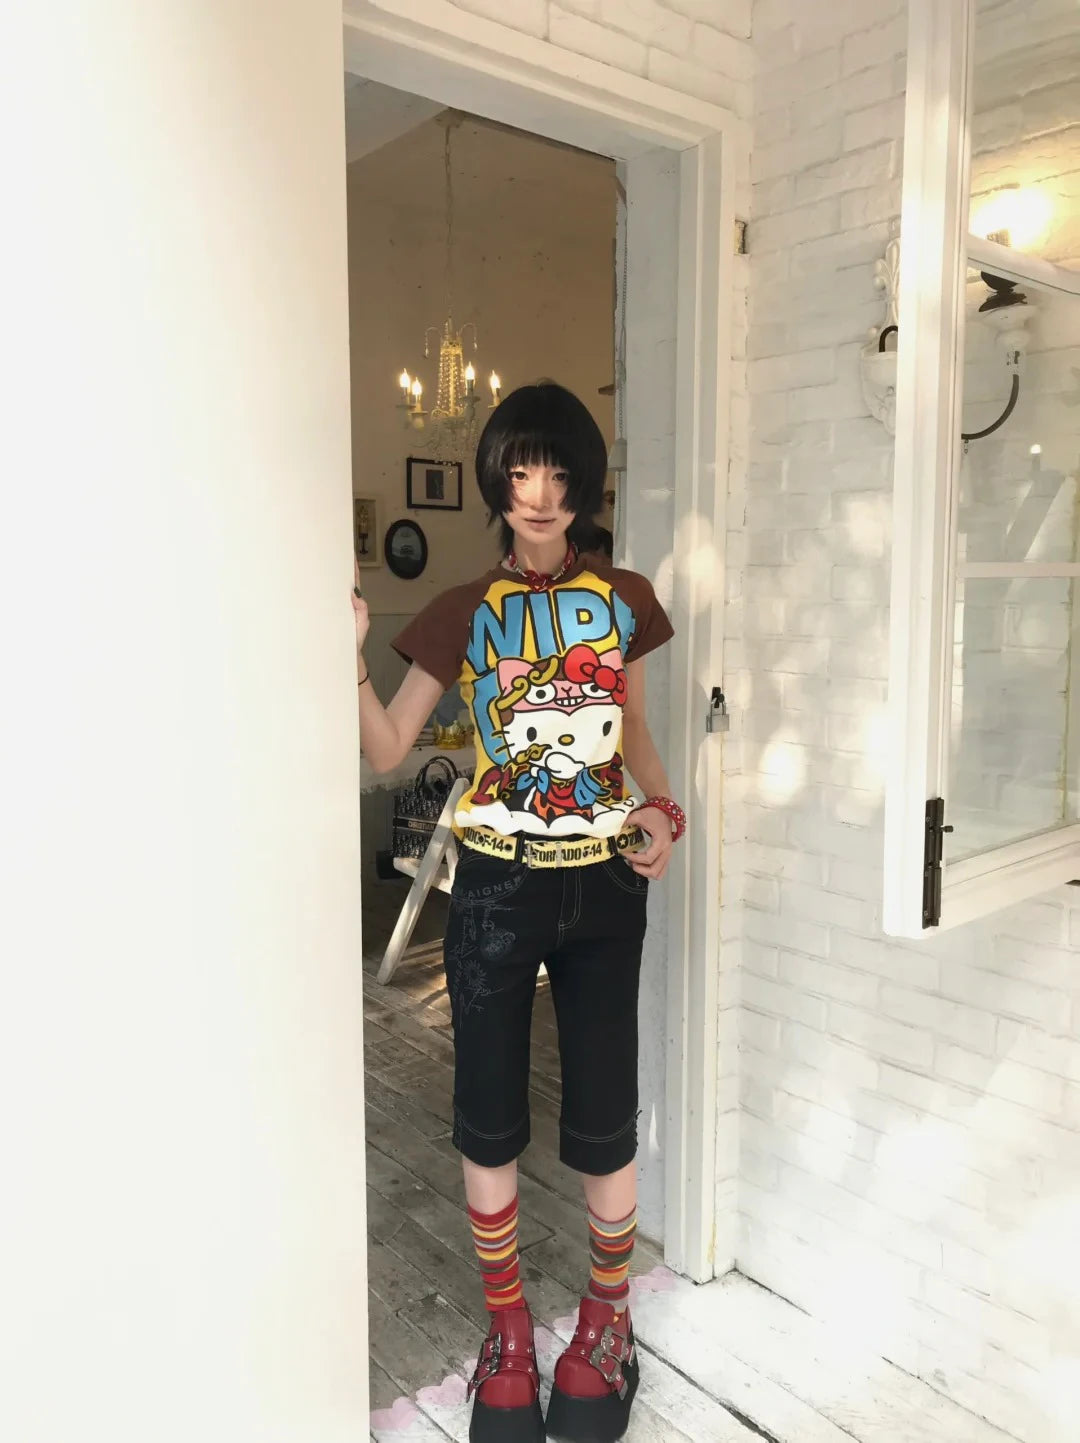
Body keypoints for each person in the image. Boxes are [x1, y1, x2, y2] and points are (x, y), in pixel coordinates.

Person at [353, 381, 684, 1443]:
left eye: (560, 474)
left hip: (607, 881)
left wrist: (664, 809)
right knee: (488, 1107)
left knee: (604, 1108)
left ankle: (607, 1320)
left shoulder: (624, 598)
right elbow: (386, 749)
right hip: (496, 882)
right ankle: (507, 1332)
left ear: (586, 486)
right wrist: (348, 651)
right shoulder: (463, 609)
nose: (539, 494)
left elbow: (631, 729)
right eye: (521, 472)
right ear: (497, 481)